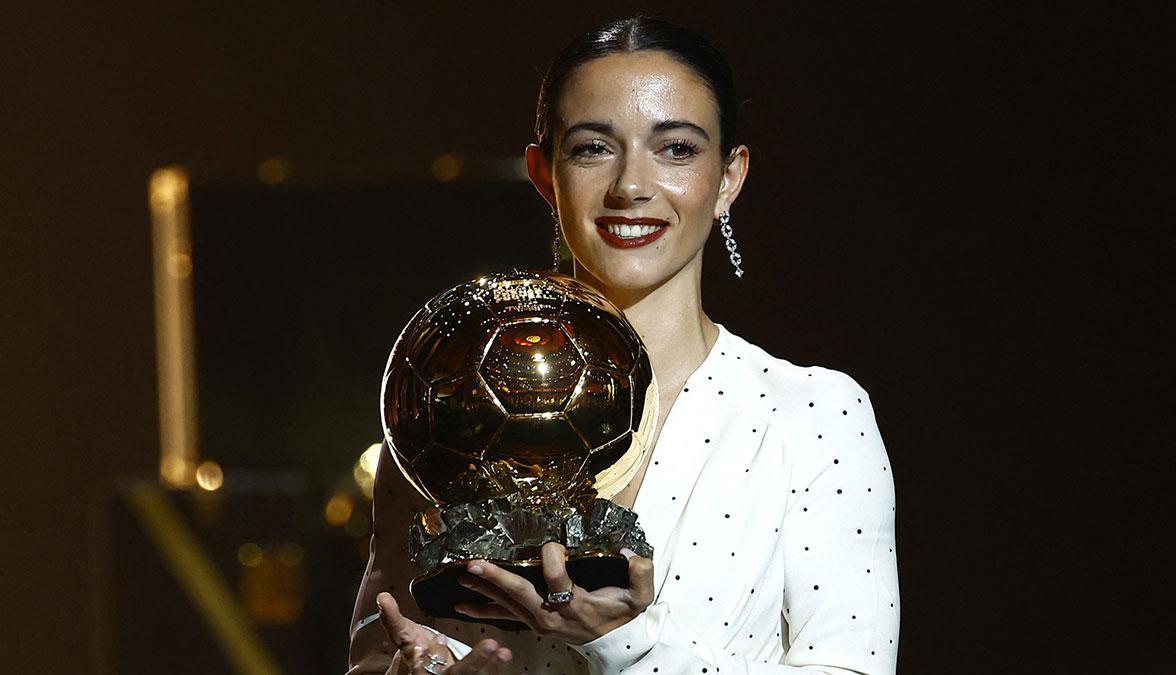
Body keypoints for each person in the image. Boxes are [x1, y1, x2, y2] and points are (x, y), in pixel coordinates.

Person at [348, 16, 899, 675]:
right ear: (544, 173)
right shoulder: (450, 408)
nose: (631, 186)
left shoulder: (813, 416)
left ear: (730, 177)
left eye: (676, 150)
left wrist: (626, 642)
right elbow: (379, 644)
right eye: (592, 149)